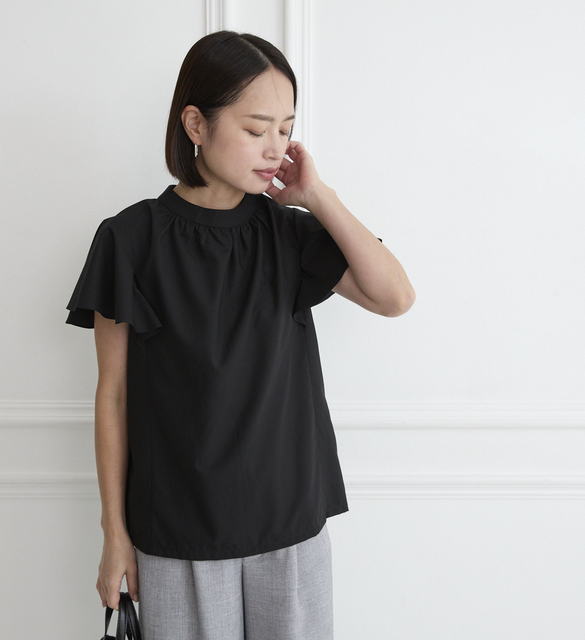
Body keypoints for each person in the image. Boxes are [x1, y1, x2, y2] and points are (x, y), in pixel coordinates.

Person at [66, 30, 414, 640]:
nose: (275, 147)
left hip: (290, 523)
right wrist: (113, 533)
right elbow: (113, 395)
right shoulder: (130, 239)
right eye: (256, 129)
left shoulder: (289, 234)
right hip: (177, 532)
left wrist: (316, 196)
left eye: (286, 128)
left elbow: (395, 297)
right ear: (196, 125)